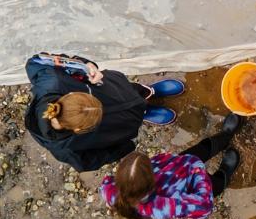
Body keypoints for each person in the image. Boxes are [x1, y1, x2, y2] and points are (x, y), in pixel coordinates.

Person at [22, 53, 185, 172]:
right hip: (119, 124)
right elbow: (86, 163)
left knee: (130, 90)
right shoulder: (65, 150)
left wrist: (86, 66)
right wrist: (126, 146)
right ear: (78, 130)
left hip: (113, 90)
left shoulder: (51, 81)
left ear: (70, 94)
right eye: (97, 117)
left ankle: (148, 91)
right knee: (131, 117)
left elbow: (35, 62)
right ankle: (144, 114)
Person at [100, 117, 243, 219]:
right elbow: (203, 205)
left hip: (178, 164)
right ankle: (224, 172)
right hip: (189, 184)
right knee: (214, 185)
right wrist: (198, 173)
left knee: (202, 148)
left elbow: (106, 187)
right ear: (151, 181)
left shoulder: (109, 190)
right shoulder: (162, 206)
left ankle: (225, 136)